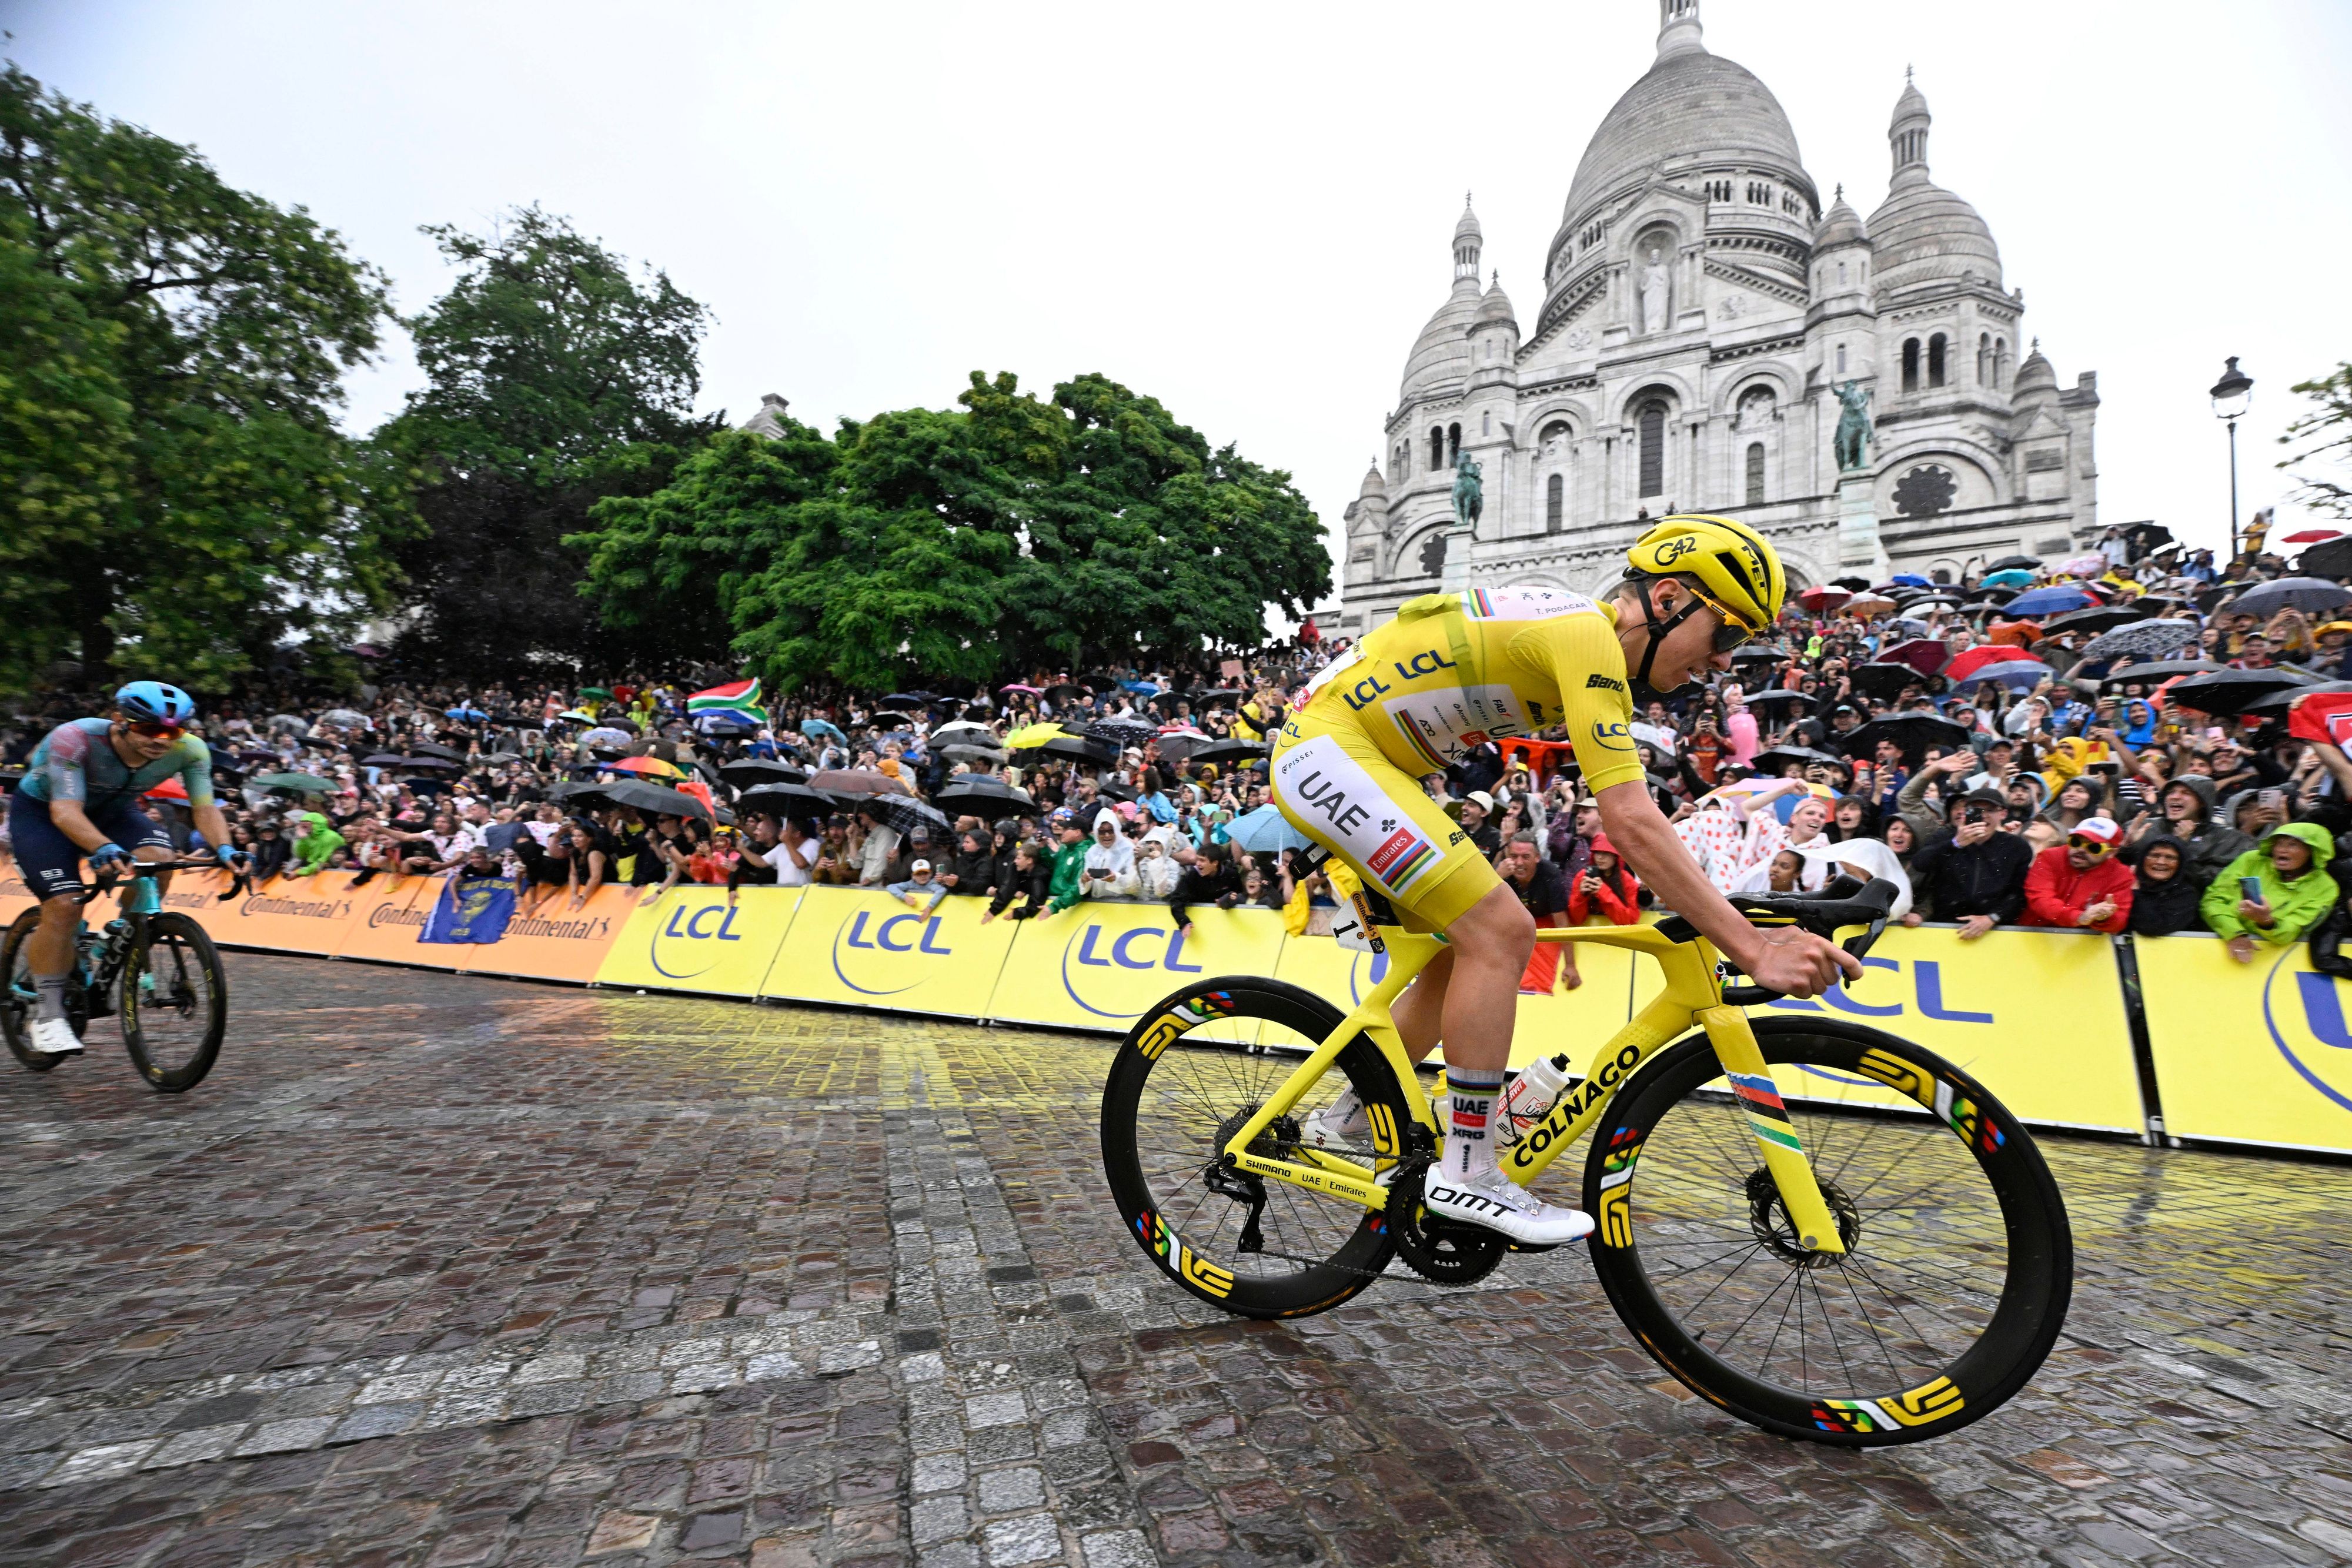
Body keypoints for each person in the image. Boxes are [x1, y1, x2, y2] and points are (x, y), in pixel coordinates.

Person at [1268, 514, 1855, 1244]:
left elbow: (1641, 818)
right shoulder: (1586, 638)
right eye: (1726, 632)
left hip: (1376, 761)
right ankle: (1467, 1172)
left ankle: (1348, 1115)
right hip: (1330, 750)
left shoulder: (1592, 647)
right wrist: (1752, 949)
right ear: (1668, 598)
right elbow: (1629, 822)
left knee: (1460, 950)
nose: (1723, 662)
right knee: (1499, 931)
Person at [8, 682, 246, 1058]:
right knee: (66, 905)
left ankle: (122, 928)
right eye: (150, 729)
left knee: (160, 857)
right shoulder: (75, 739)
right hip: (44, 816)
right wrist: (101, 847)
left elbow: (204, 807)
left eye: (173, 732)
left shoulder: (192, 750)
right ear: (119, 720)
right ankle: (49, 1014)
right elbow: (65, 812)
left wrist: (226, 848)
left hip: (115, 812)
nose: (161, 740)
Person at [2203, 822, 2338, 962]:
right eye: (2279, 843)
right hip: (2215, 943)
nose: (2282, 850)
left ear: (2313, 851)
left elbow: (2290, 933)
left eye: (2293, 845)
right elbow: (2213, 900)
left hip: (2273, 959)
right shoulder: (2251, 860)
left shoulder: (2326, 888)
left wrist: (2266, 921)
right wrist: (2235, 934)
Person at [1908, 790, 2033, 940]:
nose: (1983, 815)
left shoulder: (2016, 846)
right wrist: (1956, 844)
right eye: (1976, 809)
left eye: (1990, 810)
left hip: (1995, 930)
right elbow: (1920, 863)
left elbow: (2019, 892)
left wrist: (1993, 917)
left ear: (2003, 814)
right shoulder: (1946, 836)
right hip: (1944, 924)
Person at [2021, 816, 2133, 933]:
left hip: (2084, 940)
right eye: (2076, 842)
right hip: (2033, 933)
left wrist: (2104, 918)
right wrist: (2079, 917)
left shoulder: (2121, 875)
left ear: (2112, 853)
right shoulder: (2049, 856)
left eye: (2094, 847)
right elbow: (2040, 899)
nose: (2081, 850)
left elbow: (2119, 920)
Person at [1496, 834, 1571, 993]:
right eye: (1514, 856)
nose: (1519, 863)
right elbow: (1479, 908)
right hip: (1511, 924)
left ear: (1537, 857)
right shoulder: (1501, 872)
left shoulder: (1551, 875)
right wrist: (1496, 878)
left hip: (1544, 922)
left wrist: (1570, 965)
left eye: (1526, 857)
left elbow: (1562, 923)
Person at [2126, 837, 2204, 937]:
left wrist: (2136, 894)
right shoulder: (2126, 882)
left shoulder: (2186, 895)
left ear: (2180, 864)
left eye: (2170, 857)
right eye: (2155, 855)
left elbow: (2150, 927)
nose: (2161, 862)